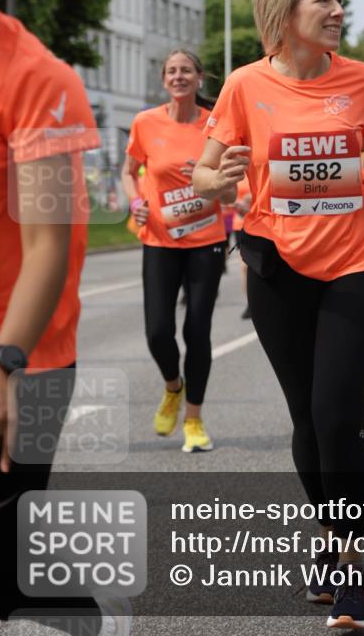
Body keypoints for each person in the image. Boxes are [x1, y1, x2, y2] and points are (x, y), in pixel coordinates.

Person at [193, 0, 364, 631]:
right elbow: (203, 175)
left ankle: (350, 566)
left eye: (341, 0)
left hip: (354, 263)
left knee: (338, 417)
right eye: (325, 1)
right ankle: (330, 538)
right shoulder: (245, 85)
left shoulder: (359, 78)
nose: (339, 11)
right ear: (285, 13)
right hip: (276, 266)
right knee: (306, 420)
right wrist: (219, 180)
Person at [0, 0, 103, 626]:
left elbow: (48, 242)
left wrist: (4, 364)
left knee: (5, 583)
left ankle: (91, 618)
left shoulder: (38, 78)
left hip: (22, 357)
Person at [121, 49, 233, 453]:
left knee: (197, 331)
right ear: (164, 79)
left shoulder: (215, 126)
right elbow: (128, 172)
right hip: (159, 240)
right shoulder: (145, 122)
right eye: (172, 71)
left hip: (206, 242)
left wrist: (210, 182)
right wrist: (135, 201)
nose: (179, 76)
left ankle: (194, 420)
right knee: (157, 331)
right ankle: (173, 386)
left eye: (186, 70)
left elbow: (232, 193)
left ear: (200, 78)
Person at [231, 176, 252, 318]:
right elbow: (228, 196)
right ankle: (250, 303)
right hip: (241, 224)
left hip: (264, 223)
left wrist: (252, 197)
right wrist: (236, 204)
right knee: (245, 266)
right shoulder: (236, 170)